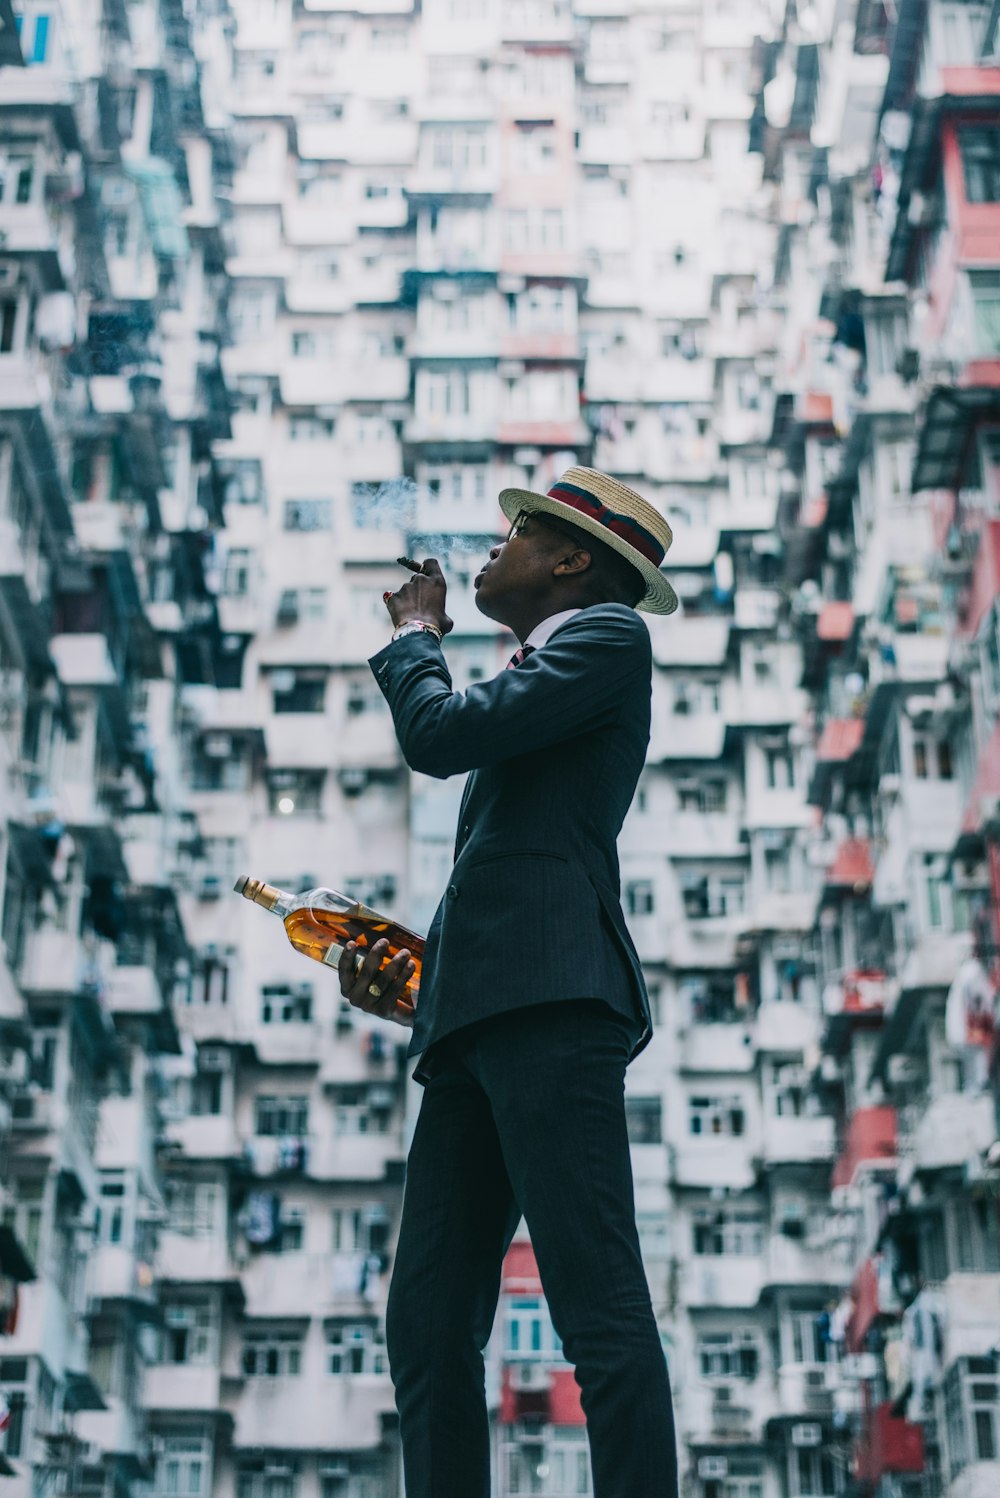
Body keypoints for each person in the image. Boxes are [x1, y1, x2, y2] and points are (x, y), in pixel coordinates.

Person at [337, 466, 680, 1498]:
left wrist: (414, 638)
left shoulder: (606, 636)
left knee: (596, 1303)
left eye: (516, 531)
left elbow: (439, 736)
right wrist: (417, 975)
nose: (491, 548)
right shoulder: (551, 663)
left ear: (571, 558)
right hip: (477, 1012)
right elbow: (507, 865)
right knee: (428, 1321)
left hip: (552, 1009)